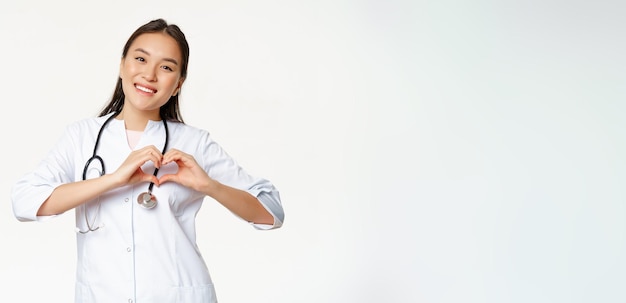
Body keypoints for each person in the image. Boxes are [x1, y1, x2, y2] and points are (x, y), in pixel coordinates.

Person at [11, 18, 284, 303]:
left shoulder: (195, 143)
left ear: (178, 84)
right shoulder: (81, 137)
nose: (150, 75)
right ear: (121, 65)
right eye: (140, 59)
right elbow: (25, 202)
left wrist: (210, 186)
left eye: (166, 67)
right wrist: (112, 179)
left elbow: (271, 212)